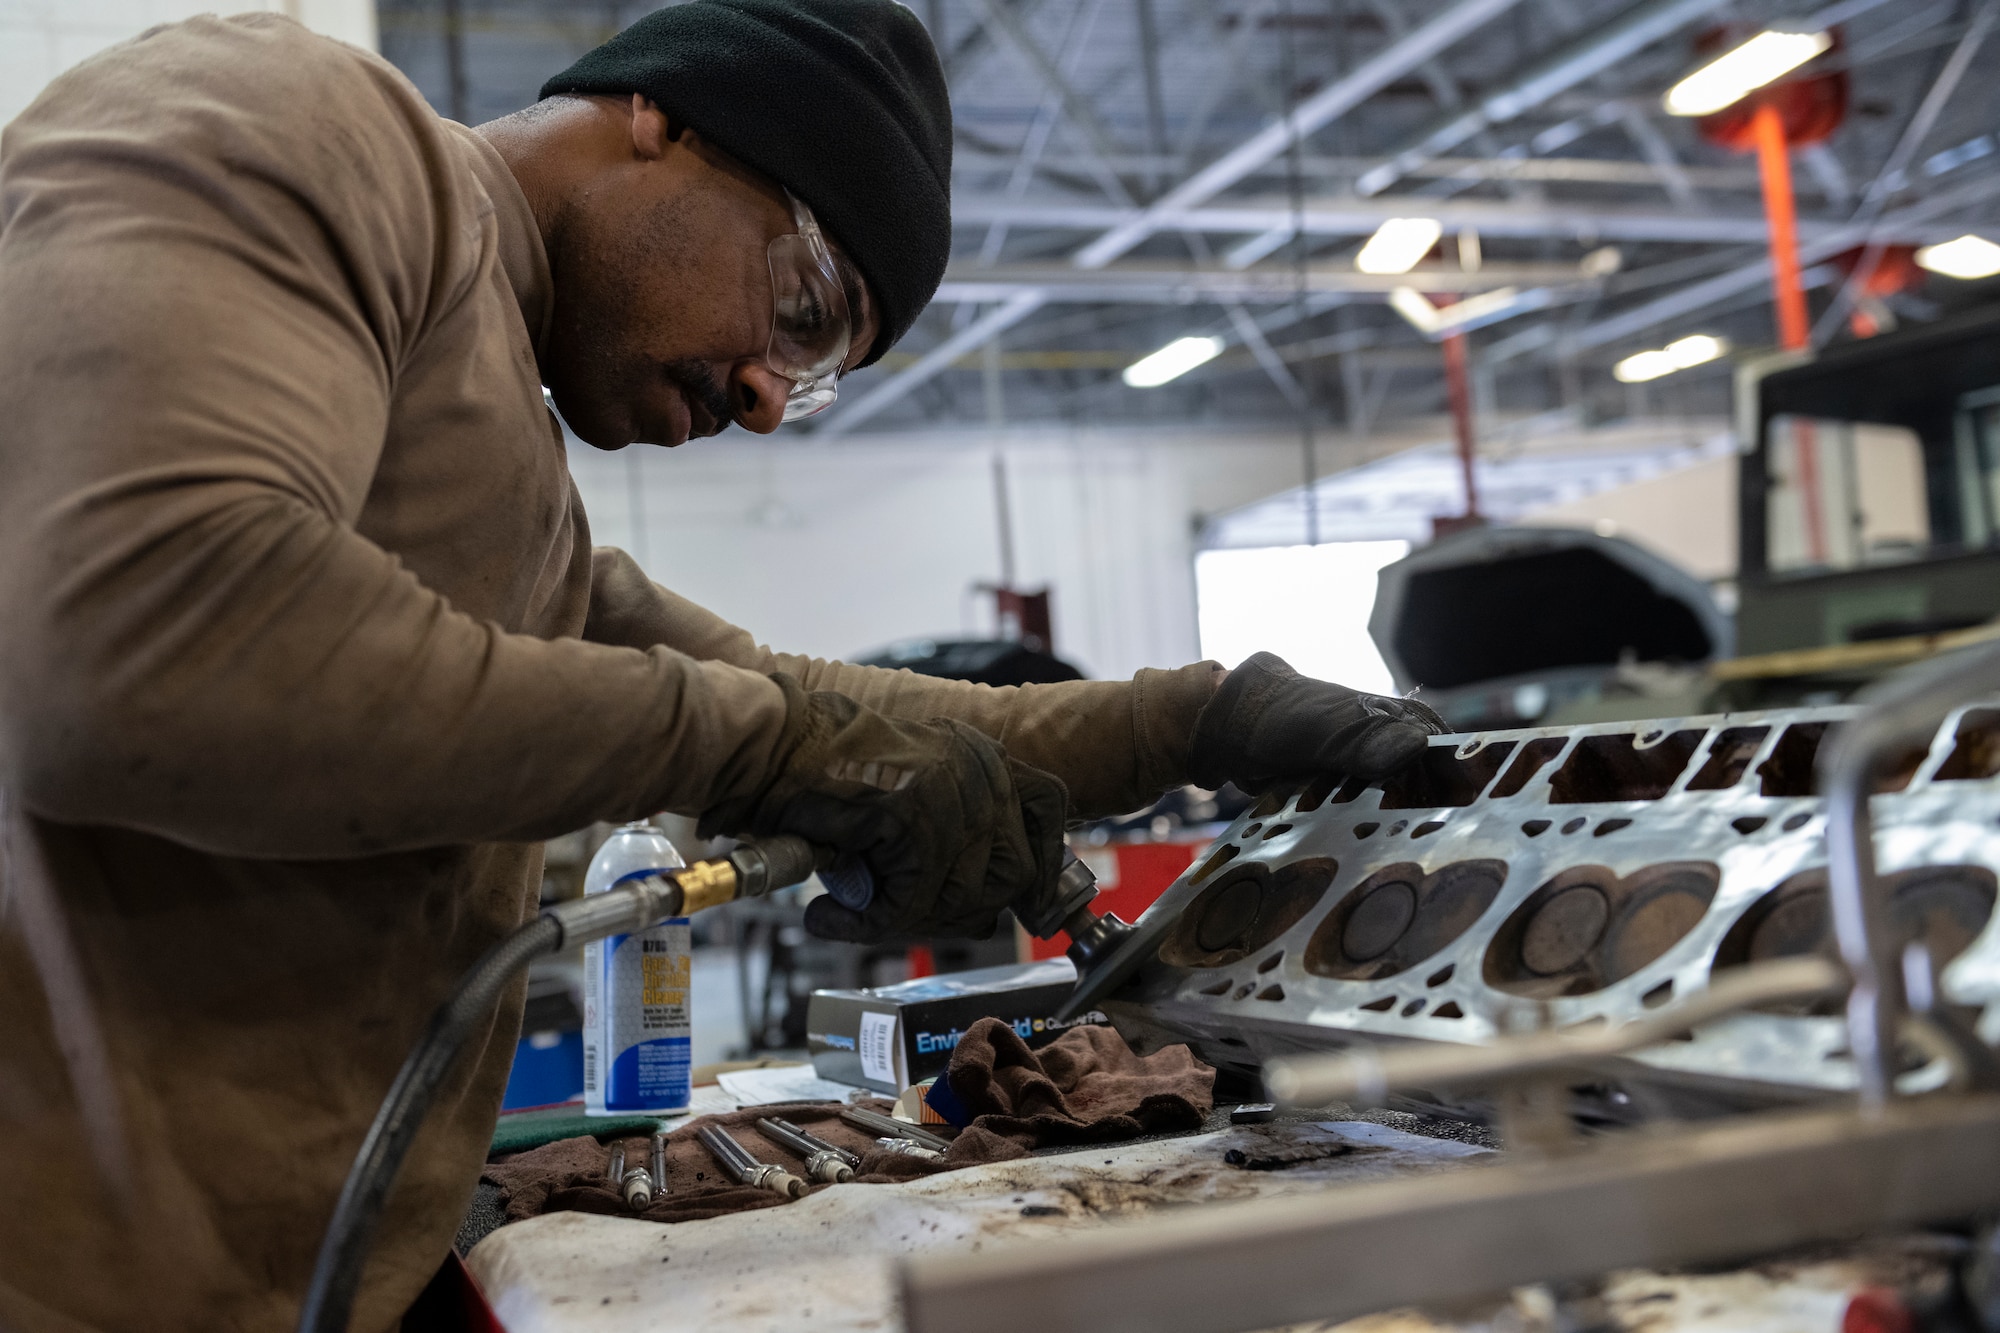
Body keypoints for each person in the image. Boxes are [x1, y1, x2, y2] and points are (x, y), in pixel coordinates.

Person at [0, 3, 1443, 1328]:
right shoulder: (305, 124)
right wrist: (756, 753)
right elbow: (130, 637)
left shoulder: (512, 465)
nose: (766, 397)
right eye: (802, 310)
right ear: (664, 117)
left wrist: (1200, 715)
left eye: (811, 378)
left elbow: (820, 706)